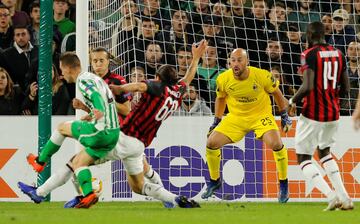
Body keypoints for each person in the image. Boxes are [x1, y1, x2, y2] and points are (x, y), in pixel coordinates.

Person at [18, 40, 208, 209]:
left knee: (75, 163)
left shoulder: (155, 87)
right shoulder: (177, 91)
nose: (98, 64)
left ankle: (73, 193)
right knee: (138, 186)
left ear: (158, 79)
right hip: (139, 144)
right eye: (95, 60)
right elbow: (188, 77)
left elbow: (139, 88)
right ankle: (174, 198)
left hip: (122, 136)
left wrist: (119, 88)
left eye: (102, 60)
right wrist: (196, 59)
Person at [20, 52, 120, 208]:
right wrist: (91, 114)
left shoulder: (83, 80)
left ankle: (40, 161)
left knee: (61, 128)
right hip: (113, 133)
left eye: (61, 69)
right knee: (78, 163)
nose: (61, 73)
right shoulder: (94, 78)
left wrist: (97, 111)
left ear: (68, 68)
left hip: (102, 131)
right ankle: (87, 195)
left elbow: (97, 100)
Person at [201, 48, 292, 203]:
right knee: (211, 143)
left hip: (260, 117)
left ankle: (284, 185)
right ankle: (214, 181)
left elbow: (277, 94)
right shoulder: (223, 79)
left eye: (239, 60)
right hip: (236, 118)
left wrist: (284, 115)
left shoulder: (261, 75)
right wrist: (216, 121)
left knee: (277, 144)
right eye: (233, 60)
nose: (235, 64)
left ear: (247, 61)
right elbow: (221, 98)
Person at [288, 21, 353, 211]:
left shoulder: (308, 54)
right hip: (333, 113)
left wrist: (292, 101)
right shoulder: (339, 54)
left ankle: (331, 196)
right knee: (325, 152)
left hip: (312, 113)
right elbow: (346, 88)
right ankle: (345, 198)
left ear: (309, 35)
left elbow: (307, 86)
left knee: (303, 157)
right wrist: (332, 100)